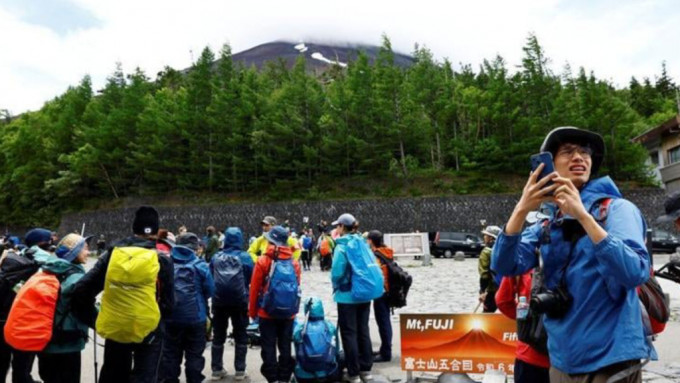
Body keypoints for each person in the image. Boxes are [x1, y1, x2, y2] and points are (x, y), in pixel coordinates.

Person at [491, 127, 653, 382]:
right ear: (548, 166)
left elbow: (635, 272)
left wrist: (584, 217)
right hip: (562, 361)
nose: (579, 157)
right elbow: (504, 264)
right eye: (568, 152)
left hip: (612, 360)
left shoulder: (618, 210)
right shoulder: (549, 223)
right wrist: (521, 208)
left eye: (585, 152)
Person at [72, 206, 175, 383]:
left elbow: (81, 290)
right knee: (146, 376)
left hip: (117, 327)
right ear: (157, 232)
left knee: (114, 374)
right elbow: (169, 304)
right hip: (149, 330)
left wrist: (96, 320)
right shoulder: (162, 259)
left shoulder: (113, 254)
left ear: (134, 229)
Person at [38, 234, 97, 383]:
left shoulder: (48, 269)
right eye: (85, 249)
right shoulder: (76, 279)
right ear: (74, 252)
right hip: (67, 343)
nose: (88, 253)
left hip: (45, 340)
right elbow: (89, 311)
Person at [331, 213, 382, 383]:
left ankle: (353, 373)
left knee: (349, 334)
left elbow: (337, 272)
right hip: (364, 294)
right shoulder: (363, 243)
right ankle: (366, 370)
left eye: (337, 225)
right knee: (363, 331)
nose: (336, 228)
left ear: (342, 227)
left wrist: (335, 284)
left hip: (347, 296)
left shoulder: (342, 246)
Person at [0, 228, 54, 383]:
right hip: (22, 322)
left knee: (2, 362)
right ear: (42, 243)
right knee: (22, 364)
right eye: (50, 240)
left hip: (2, 319)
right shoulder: (40, 264)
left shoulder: (11, 260)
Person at [249, 225, 301, 383]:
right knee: (285, 345)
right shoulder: (294, 263)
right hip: (288, 313)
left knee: (268, 346)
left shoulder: (263, 260)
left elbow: (254, 289)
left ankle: (272, 378)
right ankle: (284, 377)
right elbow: (296, 288)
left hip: (267, 312)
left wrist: (252, 312)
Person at [160, 232, 214, 383]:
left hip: (171, 318)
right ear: (195, 248)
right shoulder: (200, 265)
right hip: (196, 318)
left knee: (170, 355)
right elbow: (210, 290)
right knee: (195, 356)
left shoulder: (166, 263)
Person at [210, 227, 254, 381]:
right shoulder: (246, 257)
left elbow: (211, 277)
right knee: (241, 334)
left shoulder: (216, 257)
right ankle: (240, 371)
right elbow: (250, 279)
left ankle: (216, 370)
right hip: (239, 301)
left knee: (218, 335)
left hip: (219, 301)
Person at [495, 272, 550, 383]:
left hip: (529, 353)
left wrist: (526, 320)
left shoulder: (523, 260)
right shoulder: (574, 259)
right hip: (569, 358)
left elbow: (502, 300)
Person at [293, 297, 341, 383]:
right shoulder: (329, 327)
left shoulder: (299, 329)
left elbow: (297, 353)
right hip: (329, 374)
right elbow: (336, 351)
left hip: (304, 376)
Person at [366, 230, 393, 363]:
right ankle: (384, 349)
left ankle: (386, 353)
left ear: (371, 240)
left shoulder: (376, 255)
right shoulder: (386, 251)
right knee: (385, 321)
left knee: (383, 322)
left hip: (381, 293)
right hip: (387, 291)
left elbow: (375, 274)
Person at [478, 225, 501, 313]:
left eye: (486, 235)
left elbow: (484, 274)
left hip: (491, 289)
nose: (484, 237)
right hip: (505, 287)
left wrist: (482, 290)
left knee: (487, 316)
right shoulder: (502, 250)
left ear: (491, 238)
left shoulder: (486, 252)